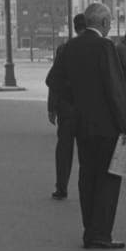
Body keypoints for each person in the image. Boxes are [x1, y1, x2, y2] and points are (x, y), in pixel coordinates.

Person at [45, 2, 126, 249]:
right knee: (109, 178)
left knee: (87, 176)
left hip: (81, 123)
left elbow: (53, 80)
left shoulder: (70, 47)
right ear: (104, 23)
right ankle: (101, 233)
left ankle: (89, 230)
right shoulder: (105, 47)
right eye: (110, 22)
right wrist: (125, 124)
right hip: (107, 126)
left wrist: (76, 100)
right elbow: (115, 89)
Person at [47, 14, 87, 200]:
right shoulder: (102, 47)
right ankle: (88, 189)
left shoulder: (64, 49)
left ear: (74, 27)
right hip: (90, 110)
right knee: (89, 152)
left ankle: (61, 187)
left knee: (64, 149)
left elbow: (53, 80)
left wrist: (52, 107)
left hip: (67, 107)